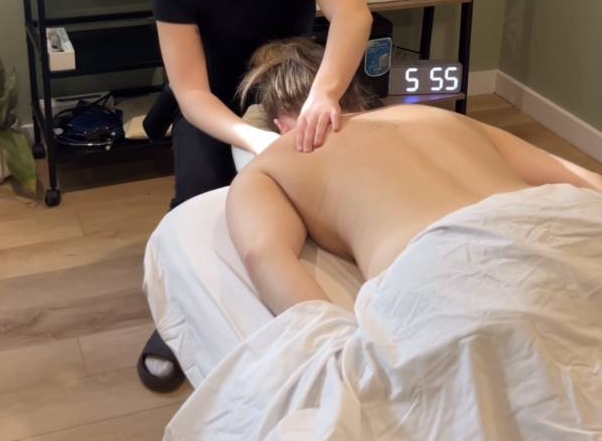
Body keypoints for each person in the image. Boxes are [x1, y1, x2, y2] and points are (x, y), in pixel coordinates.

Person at [137, 0, 373, 390]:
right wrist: (255, 140)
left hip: (290, 92)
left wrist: (323, 97)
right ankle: (180, 309)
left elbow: (352, 15)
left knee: (330, 198)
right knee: (204, 197)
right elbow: (191, 92)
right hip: (214, 109)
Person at [227, 37, 602, 315]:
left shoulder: (277, 160)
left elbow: (264, 254)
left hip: (445, 268)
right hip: (564, 226)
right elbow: (576, 176)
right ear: (355, 95)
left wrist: (333, 345)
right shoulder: (442, 116)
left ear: (280, 124)